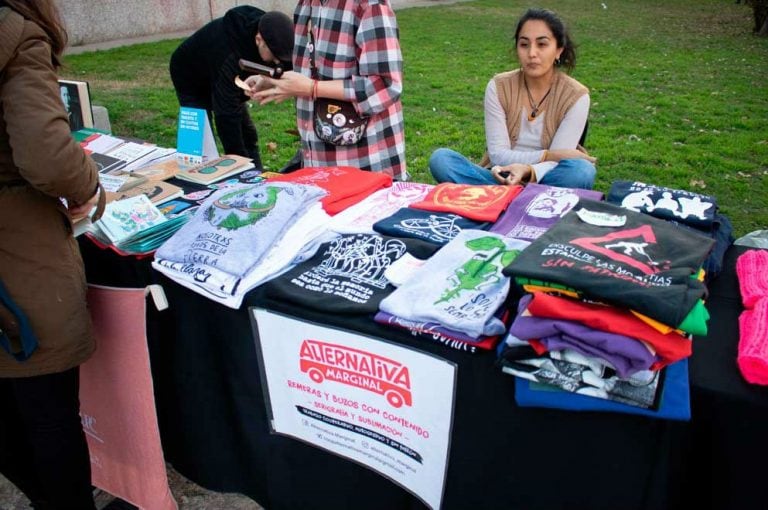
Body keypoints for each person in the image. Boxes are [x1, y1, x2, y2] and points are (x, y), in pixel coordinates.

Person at [0, 0, 104, 508]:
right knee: (48, 416)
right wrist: (90, 184)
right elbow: (49, 158)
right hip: (18, 261)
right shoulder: (16, 34)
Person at [429, 8, 596, 190]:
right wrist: (548, 155)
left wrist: (527, 170)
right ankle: (526, 201)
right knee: (441, 159)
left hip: (547, 178)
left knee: (581, 171)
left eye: (542, 44)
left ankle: (504, 199)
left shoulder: (576, 96)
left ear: (558, 50)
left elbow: (560, 160)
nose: (532, 53)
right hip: (500, 176)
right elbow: (498, 156)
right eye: (524, 44)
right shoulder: (499, 86)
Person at [247, 0, 407, 181]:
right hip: (317, 161)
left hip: (366, 166)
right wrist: (275, 81)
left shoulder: (369, 5)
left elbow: (385, 85)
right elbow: (313, 71)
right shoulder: (306, 5)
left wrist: (311, 88)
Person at [169, 6, 294, 169]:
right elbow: (226, 114)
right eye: (276, 58)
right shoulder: (229, 54)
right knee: (200, 142)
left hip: (224, 74)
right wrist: (238, 163)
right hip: (189, 76)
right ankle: (207, 177)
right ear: (258, 40)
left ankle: (257, 175)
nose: (278, 64)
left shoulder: (273, 32)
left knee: (247, 134)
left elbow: (289, 66)